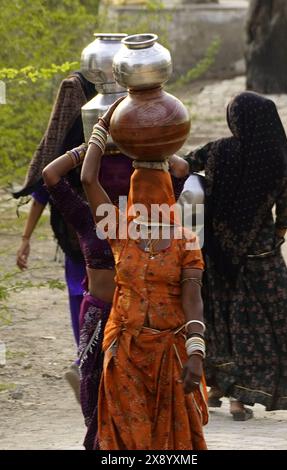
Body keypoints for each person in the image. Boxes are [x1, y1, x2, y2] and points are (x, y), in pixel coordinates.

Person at [81, 99, 208, 450]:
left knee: (171, 442)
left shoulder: (185, 240)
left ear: (167, 192)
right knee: (128, 439)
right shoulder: (119, 228)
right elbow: (87, 177)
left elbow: (192, 301)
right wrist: (102, 125)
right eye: (142, 185)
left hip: (171, 354)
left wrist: (196, 352)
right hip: (124, 350)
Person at [184, 91, 287, 420]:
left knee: (221, 320)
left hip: (218, 254)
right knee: (271, 323)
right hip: (261, 255)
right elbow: (285, 208)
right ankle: (240, 397)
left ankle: (218, 385)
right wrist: (278, 233)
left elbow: (183, 167)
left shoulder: (219, 150)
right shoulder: (275, 158)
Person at [42, 142, 133, 449]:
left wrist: (134, 142)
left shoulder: (146, 220)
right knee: (96, 401)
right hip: (97, 318)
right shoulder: (84, 218)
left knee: (130, 400)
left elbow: (180, 169)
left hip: (132, 321)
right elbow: (51, 174)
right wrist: (90, 145)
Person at [14, 71, 97, 400]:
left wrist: (26, 239)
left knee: (81, 295)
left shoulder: (58, 142)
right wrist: (24, 240)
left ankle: (85, 362)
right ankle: (90, 363)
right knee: (96, 295)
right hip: (99, 231)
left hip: (75, 232)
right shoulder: (104, 131)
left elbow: (41, 189)